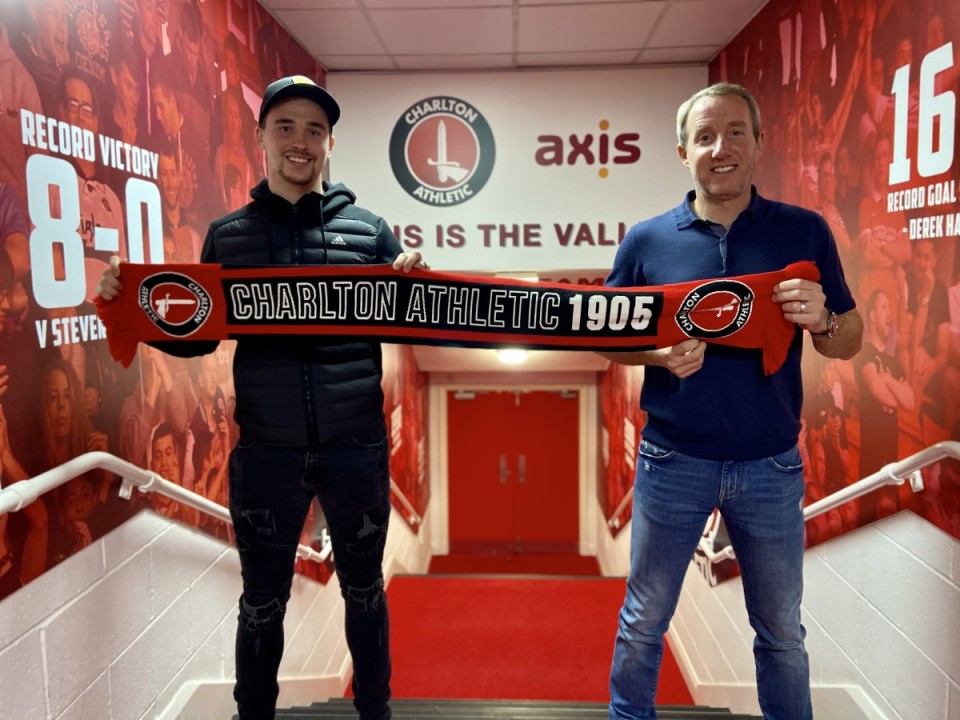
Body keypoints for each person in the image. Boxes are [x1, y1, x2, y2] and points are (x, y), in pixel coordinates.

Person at [96, 75, 427, 720]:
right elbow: (198, 333)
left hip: (355, 447)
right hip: (267, 453)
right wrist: (128, 304)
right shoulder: (230, 236)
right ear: (261, 138)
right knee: (261, 603)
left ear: (330, 144)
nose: (300, 141)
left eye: (314, 130)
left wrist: (416, 275)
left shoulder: (370, 233)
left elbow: (413, 317)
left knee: (364, 592)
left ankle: (376, 713)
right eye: (286, 127)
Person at [599, 82, 863, 720]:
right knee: (643, 621)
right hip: (672, 461)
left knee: (782, 635)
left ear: (758, 142)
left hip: (771, 465)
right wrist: (658, 356)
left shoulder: (804, 231)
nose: (721, 148)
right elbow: (609, 338)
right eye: (706, 137)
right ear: (683, 152)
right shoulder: (646, 241)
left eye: (735, 132)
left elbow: (849, 338)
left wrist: (824, 320)